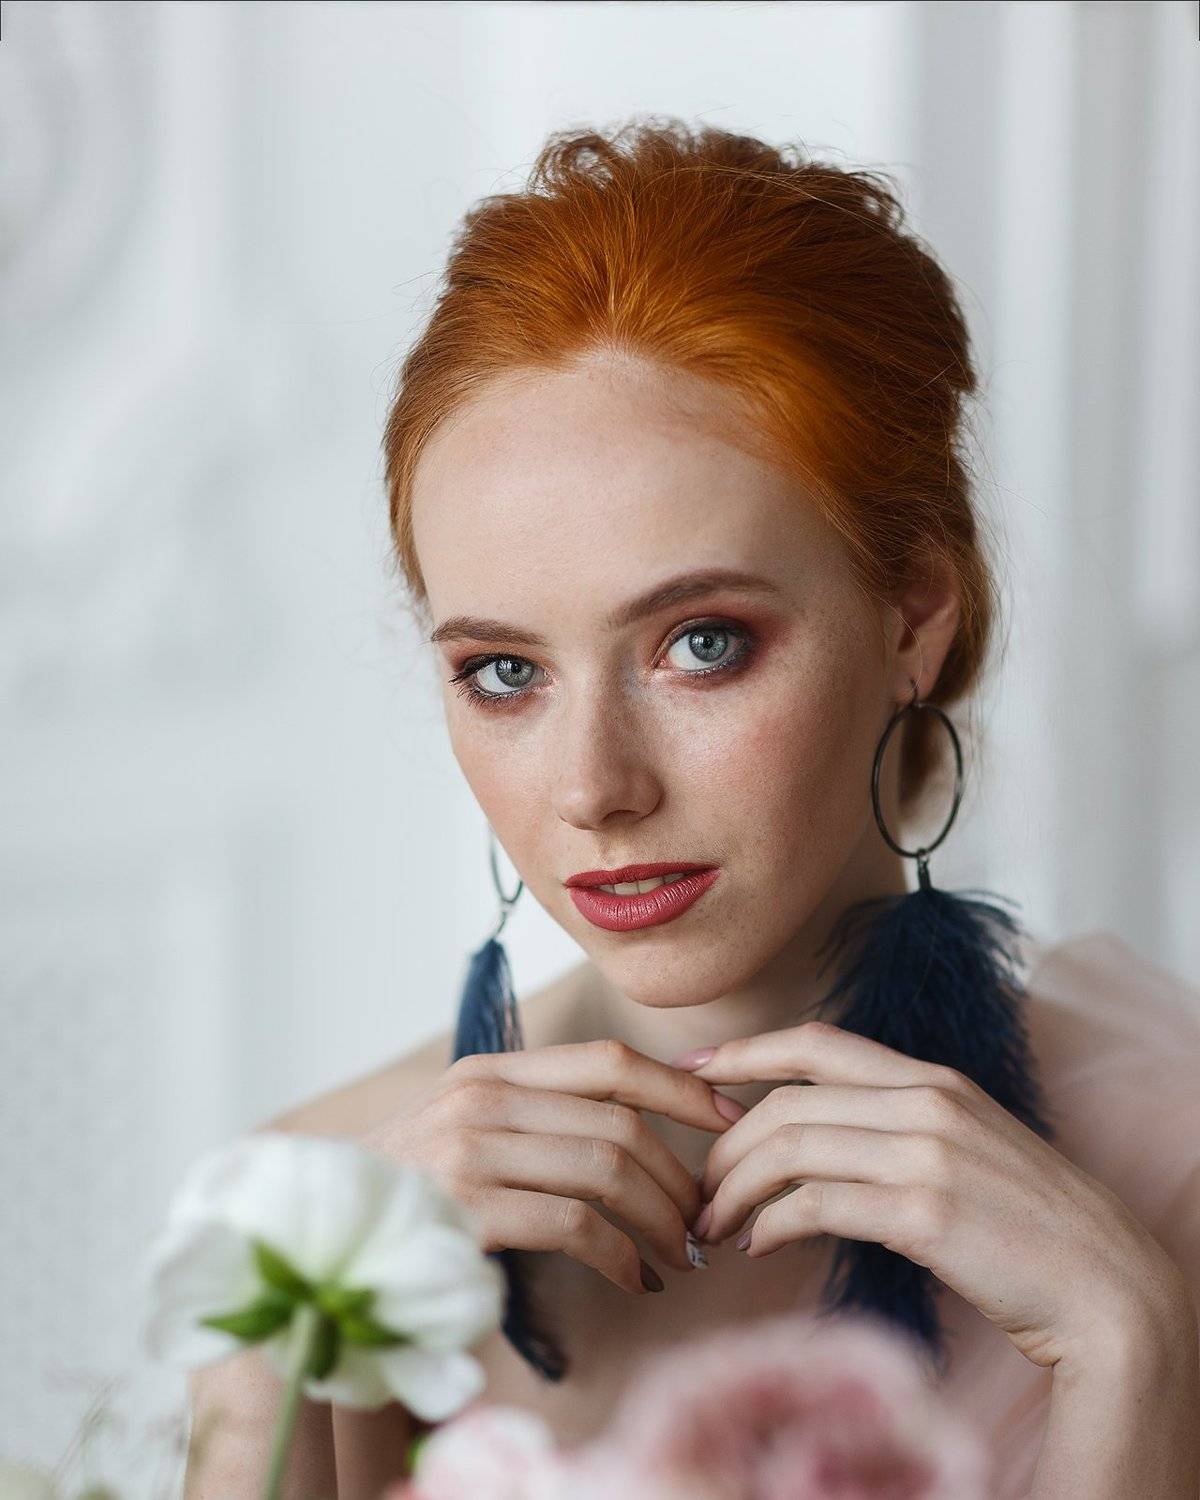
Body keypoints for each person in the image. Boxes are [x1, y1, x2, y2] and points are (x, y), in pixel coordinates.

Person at [182, 119, 1200, 1500]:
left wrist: (1130, 1345)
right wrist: (268, 1363)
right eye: (504, 672)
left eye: (702, 644)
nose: (594, 787)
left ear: (914, 615)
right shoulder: (312, 1204)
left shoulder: (1167, 1176)